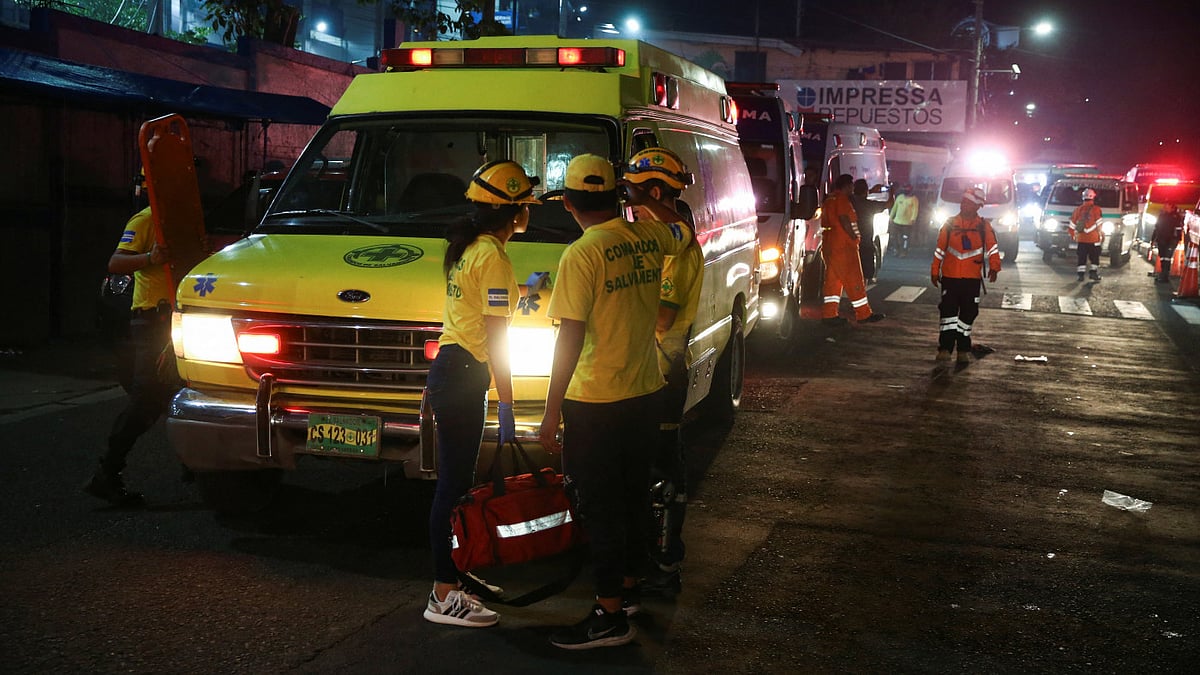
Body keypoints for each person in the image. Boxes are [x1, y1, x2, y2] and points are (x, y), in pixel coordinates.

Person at [539, 153, 692, 650]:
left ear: (567, 203)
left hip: (596, 400)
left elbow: (569, 340)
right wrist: (646, 199)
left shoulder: (581, 254)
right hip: (644, 394)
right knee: (631, 499)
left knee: (601, 507)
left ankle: (607, 617)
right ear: (616, 197)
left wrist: (549, 410)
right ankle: (628, 594)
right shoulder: (646, 236)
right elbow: (684, 232)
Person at [422, 160, 539, 628]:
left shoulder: (471, 248)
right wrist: (508, 399)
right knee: (451, 485)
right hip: (464, 374)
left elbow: (483, 308)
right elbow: (495, 338)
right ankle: (442, 594)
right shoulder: (492, 255)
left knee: (458, 483)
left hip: (452, 370)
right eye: (525, 205)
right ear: (513, 213)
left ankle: (458, 573)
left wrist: (526, 292)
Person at [624, 147, 699, 599]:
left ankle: (665, 561)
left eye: (633, 195)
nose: (629, 205)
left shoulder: (675, 246)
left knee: (663, 468)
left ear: (654, 192)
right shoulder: (663, 237)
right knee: (653, 464)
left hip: (663, 370)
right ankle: (657, 556)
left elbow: (663, 318)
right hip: (653, 369)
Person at [83, 169, 175, 507]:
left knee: (174, 396)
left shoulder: (178, 222)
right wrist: (151, 258)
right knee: (146, 399)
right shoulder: (146, 219)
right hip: (151, 320)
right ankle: (106, 473)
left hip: (173, 322)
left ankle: (201, 465)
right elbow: (116, 262)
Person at [930, 187, 1001, 364]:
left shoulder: (983, 226)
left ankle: (963, 349)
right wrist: (934, 270)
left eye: (968, 203)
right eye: (963, 202)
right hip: (950, 277)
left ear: (977, 206)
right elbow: (939, 250)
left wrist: (994, 267)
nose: (964, 206)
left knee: (969, 314)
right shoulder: (949, 224)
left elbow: (992, 247)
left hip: (971, 279)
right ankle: (945, 349)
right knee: (948, 313)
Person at [821, 174, 885, 326]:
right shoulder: (843, 199)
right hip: (843, 245)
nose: (852, 189)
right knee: (854, 278)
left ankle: (829, 315)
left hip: (830, 242)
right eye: (851, 186)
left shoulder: (829, 199)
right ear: (846, 186)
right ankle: (863, 314)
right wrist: (853, 237)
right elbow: (844, 219)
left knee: (833, 281)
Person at [850, 178, 893, 283]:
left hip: (850, 242)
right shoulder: (869, 205)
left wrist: (870, 191)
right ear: (865, 191)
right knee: (864, 273)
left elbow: (857, 196)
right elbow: (889, 204)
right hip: (865, 243)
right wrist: (892, 192)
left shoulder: (849, 202)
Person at [1070, 187, 1103, 282]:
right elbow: (1099, 224)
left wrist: (1073, 234)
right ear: (1093, 197)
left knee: (1081, 257)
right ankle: (1093, 274)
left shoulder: (1078, 209)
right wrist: (1101, 235)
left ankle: (1080, 276)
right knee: (1095, 257)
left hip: (1081, 238)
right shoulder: (1097, 209)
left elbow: (1072, 224)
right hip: (1094, 239)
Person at [1153, 202, 1185, 284]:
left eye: (1166, 206)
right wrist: (1153, 238)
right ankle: (1163, 275)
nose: (1164, 207)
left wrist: (1177, 239)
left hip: (1171, 240)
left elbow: (1178, 229)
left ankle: (1165, 276)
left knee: (1167, 257)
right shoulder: (1162, 215)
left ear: (1172, 207)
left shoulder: (1176, 217)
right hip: (1161, 239)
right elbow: (1157, 227)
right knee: (1163, 257)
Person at [889, 184, 920, 257]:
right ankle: (896, 249)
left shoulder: (914, 199)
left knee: (905, 238)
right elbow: (894, 208)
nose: (906, 190)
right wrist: (891, 217)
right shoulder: (900, 197)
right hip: (897, 221)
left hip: (907, 223)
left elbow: (915, 210)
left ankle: (904, 252)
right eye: (905, 188)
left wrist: (913, 219)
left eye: (908, 188)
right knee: (894, 236)